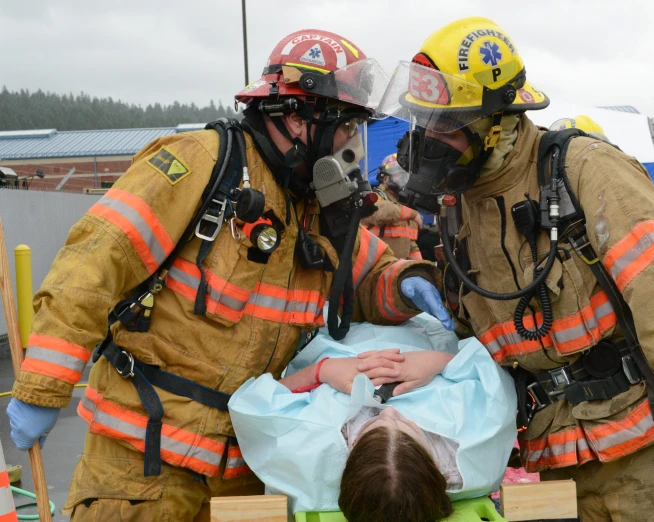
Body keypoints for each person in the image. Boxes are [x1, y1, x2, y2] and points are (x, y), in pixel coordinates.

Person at [5, 29, 453, 521]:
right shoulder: (201, 164)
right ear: (299, 118)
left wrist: (409, 282)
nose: (351, 147)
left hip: (245, 470)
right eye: (345, 128)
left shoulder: (315, 206)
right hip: (141, 467)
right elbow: (90, 267)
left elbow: (367, 275)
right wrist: (42, 389)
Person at [377, 16, 654, 521]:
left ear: (494, 121)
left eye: (445, 125)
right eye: (423, 122)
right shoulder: (461, 209)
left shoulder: (581, 169)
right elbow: (485, 335)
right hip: (558, 468)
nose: (428, 139)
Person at [228, 314, 517, 521]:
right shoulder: (475, 448)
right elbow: (493, 378)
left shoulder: (307, 451)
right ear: (433, 468)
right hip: (422, 326)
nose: (389, 411)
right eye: (405, 426)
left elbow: (253, 404)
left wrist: (322, 371)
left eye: (372, 427)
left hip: (336, 323)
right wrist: (438, 363)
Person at [361, 153, 424, 260]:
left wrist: (420, 268)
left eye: (405, 175)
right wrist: (413, 214)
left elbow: (411, 246)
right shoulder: (374, 198)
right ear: (385, 178)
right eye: (398, 175)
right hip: (376, 268)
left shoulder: (404, 207)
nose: (403, 179)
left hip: (396, 269)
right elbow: (381, 211)